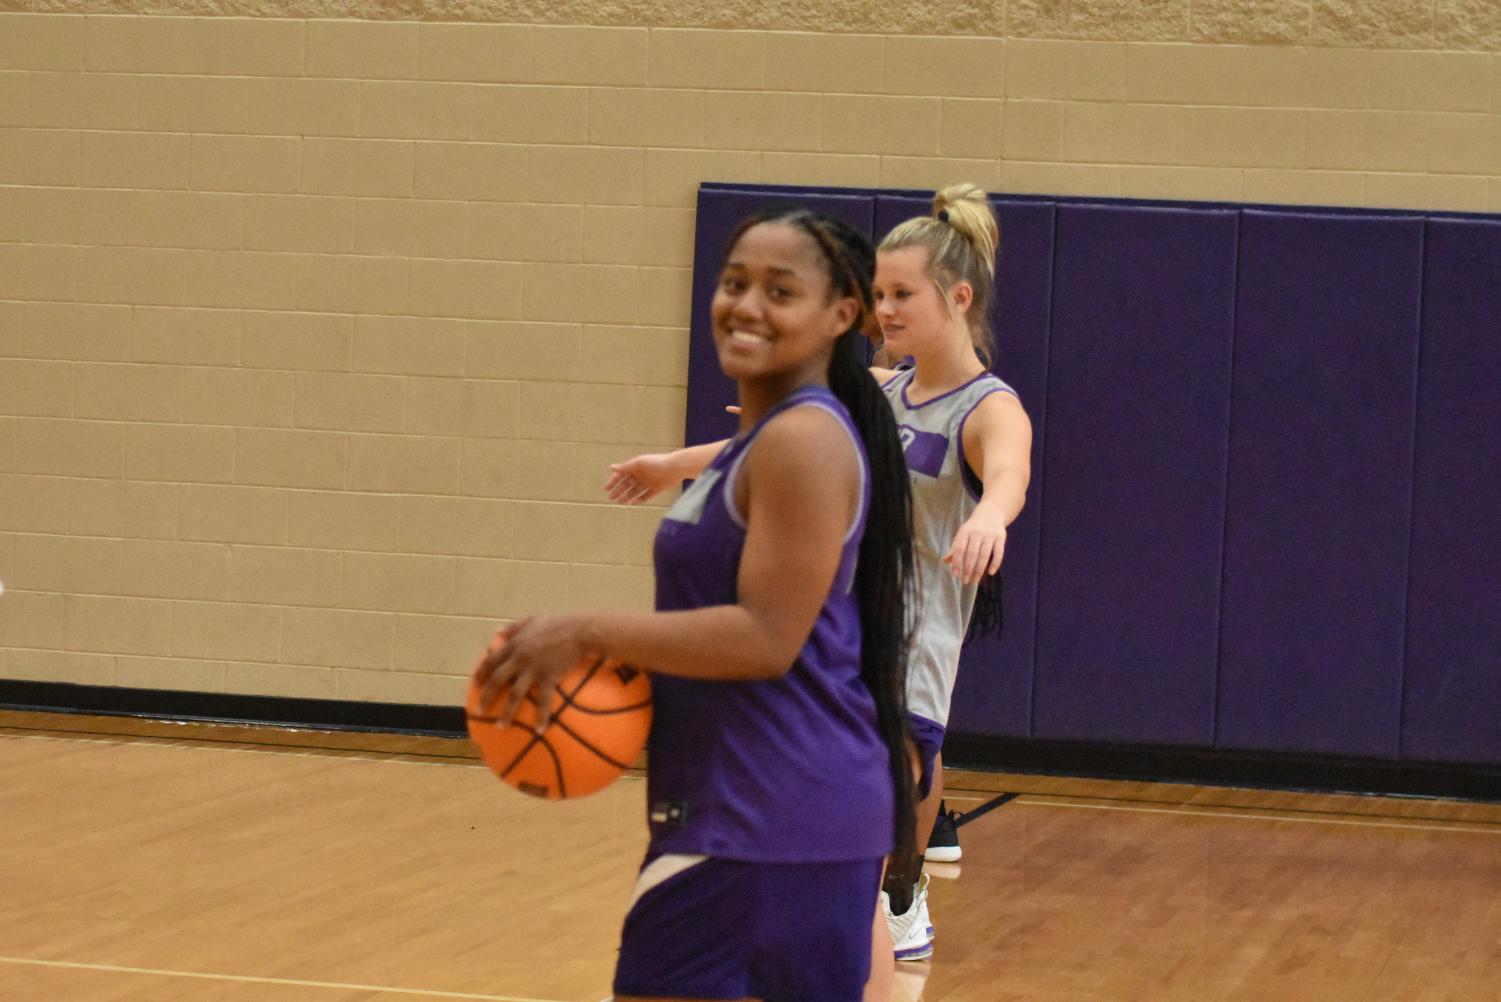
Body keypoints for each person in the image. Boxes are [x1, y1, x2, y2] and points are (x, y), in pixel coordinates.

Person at [475, 206, 918, 1002]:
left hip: (763, 822)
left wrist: (581, 629)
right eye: (733, 283)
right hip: (763, 818)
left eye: (780, 291)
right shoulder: (766, 440)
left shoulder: (803, 440)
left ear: (840, 315)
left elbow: (767, 637)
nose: (746, 305)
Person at [606, 184, 1033, 965]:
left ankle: (901, 887)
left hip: (922, 624)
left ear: (958, 297)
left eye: (902, 294)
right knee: (850, 786)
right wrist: (673, 464)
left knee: (900, 766)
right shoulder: (877, 389)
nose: (885, 310)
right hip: (844, 618)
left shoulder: (987, 406)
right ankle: (858, 900)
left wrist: (988, 517)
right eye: (877, 295)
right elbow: (778, 439)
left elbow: (1008, 472)